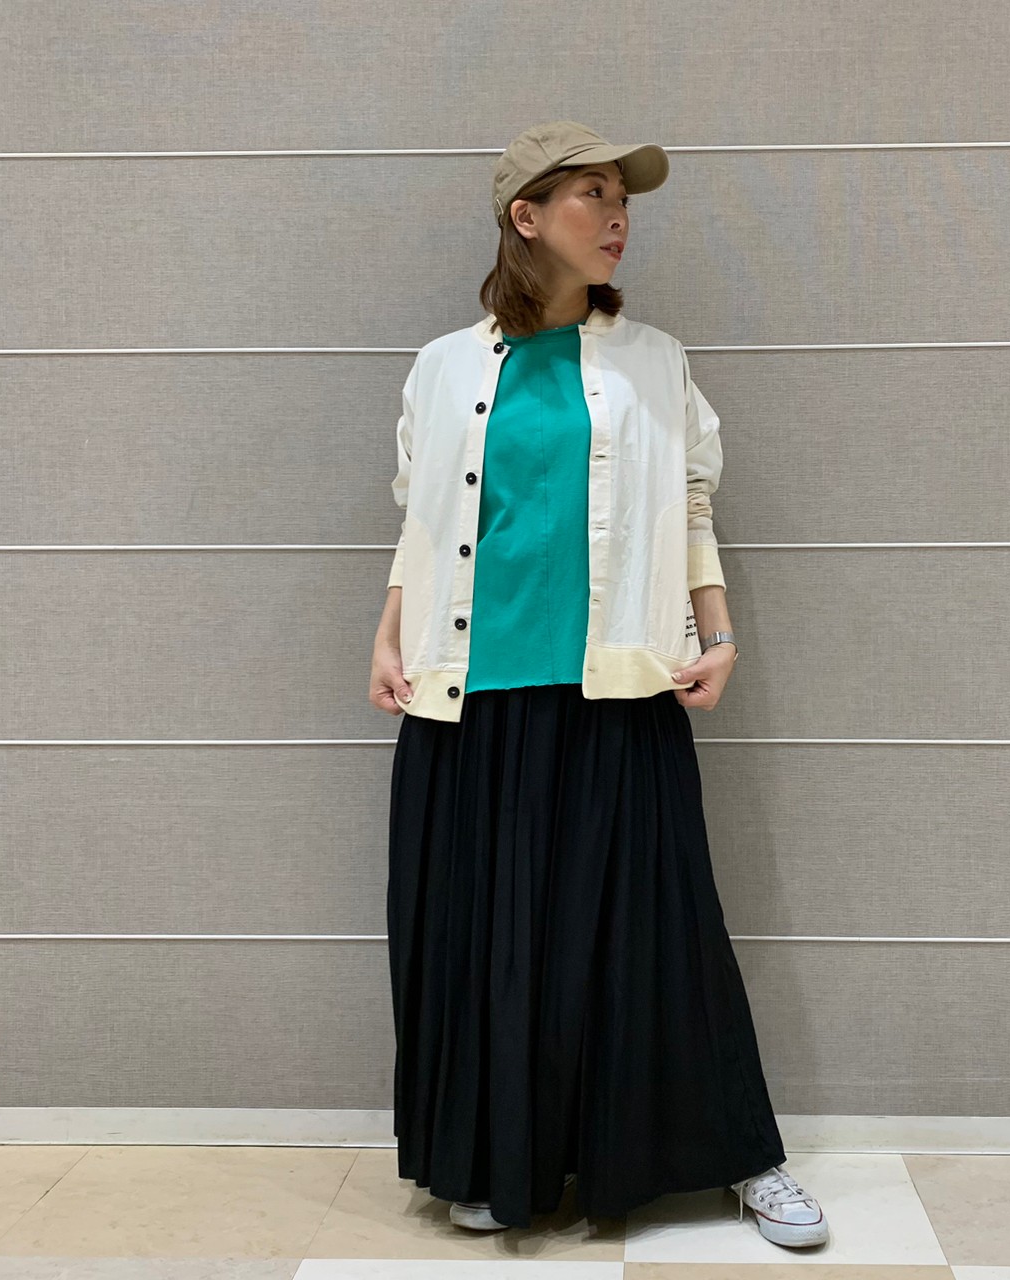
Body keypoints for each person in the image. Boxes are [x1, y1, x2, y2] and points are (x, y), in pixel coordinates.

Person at [369, 120, 829, 1250]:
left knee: (656, 934)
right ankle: (501, 1160)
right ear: (524, 216)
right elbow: (423, 519)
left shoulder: (652, 361)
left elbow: (689, 506)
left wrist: (718, 634)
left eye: (622, 197)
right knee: (484, 940)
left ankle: (742, 1156)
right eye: (590, 194)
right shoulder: (442, 365)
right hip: (467, 693)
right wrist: (386, 638)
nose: (617, 215)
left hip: (616, 685)